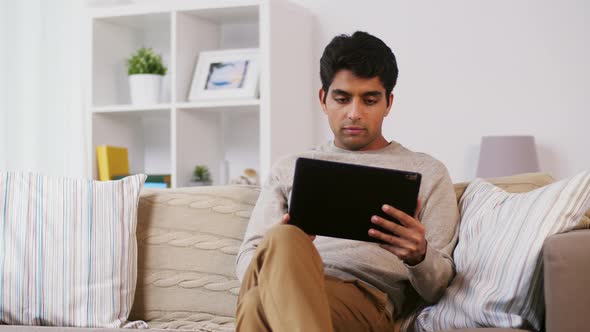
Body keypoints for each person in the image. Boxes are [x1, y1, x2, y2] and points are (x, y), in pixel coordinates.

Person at [235, 31, 459, 332]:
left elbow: (438, 287)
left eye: (369, 100)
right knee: (283, 240)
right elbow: (247, 260)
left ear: (388, 103)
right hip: (279, 281)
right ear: (323, 100)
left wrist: (419, 256)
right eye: (342, 99)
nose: (354, 113)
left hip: (363, 300)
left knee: (254, 305)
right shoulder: (289, 168)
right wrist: (286, 254)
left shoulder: (427, 172)